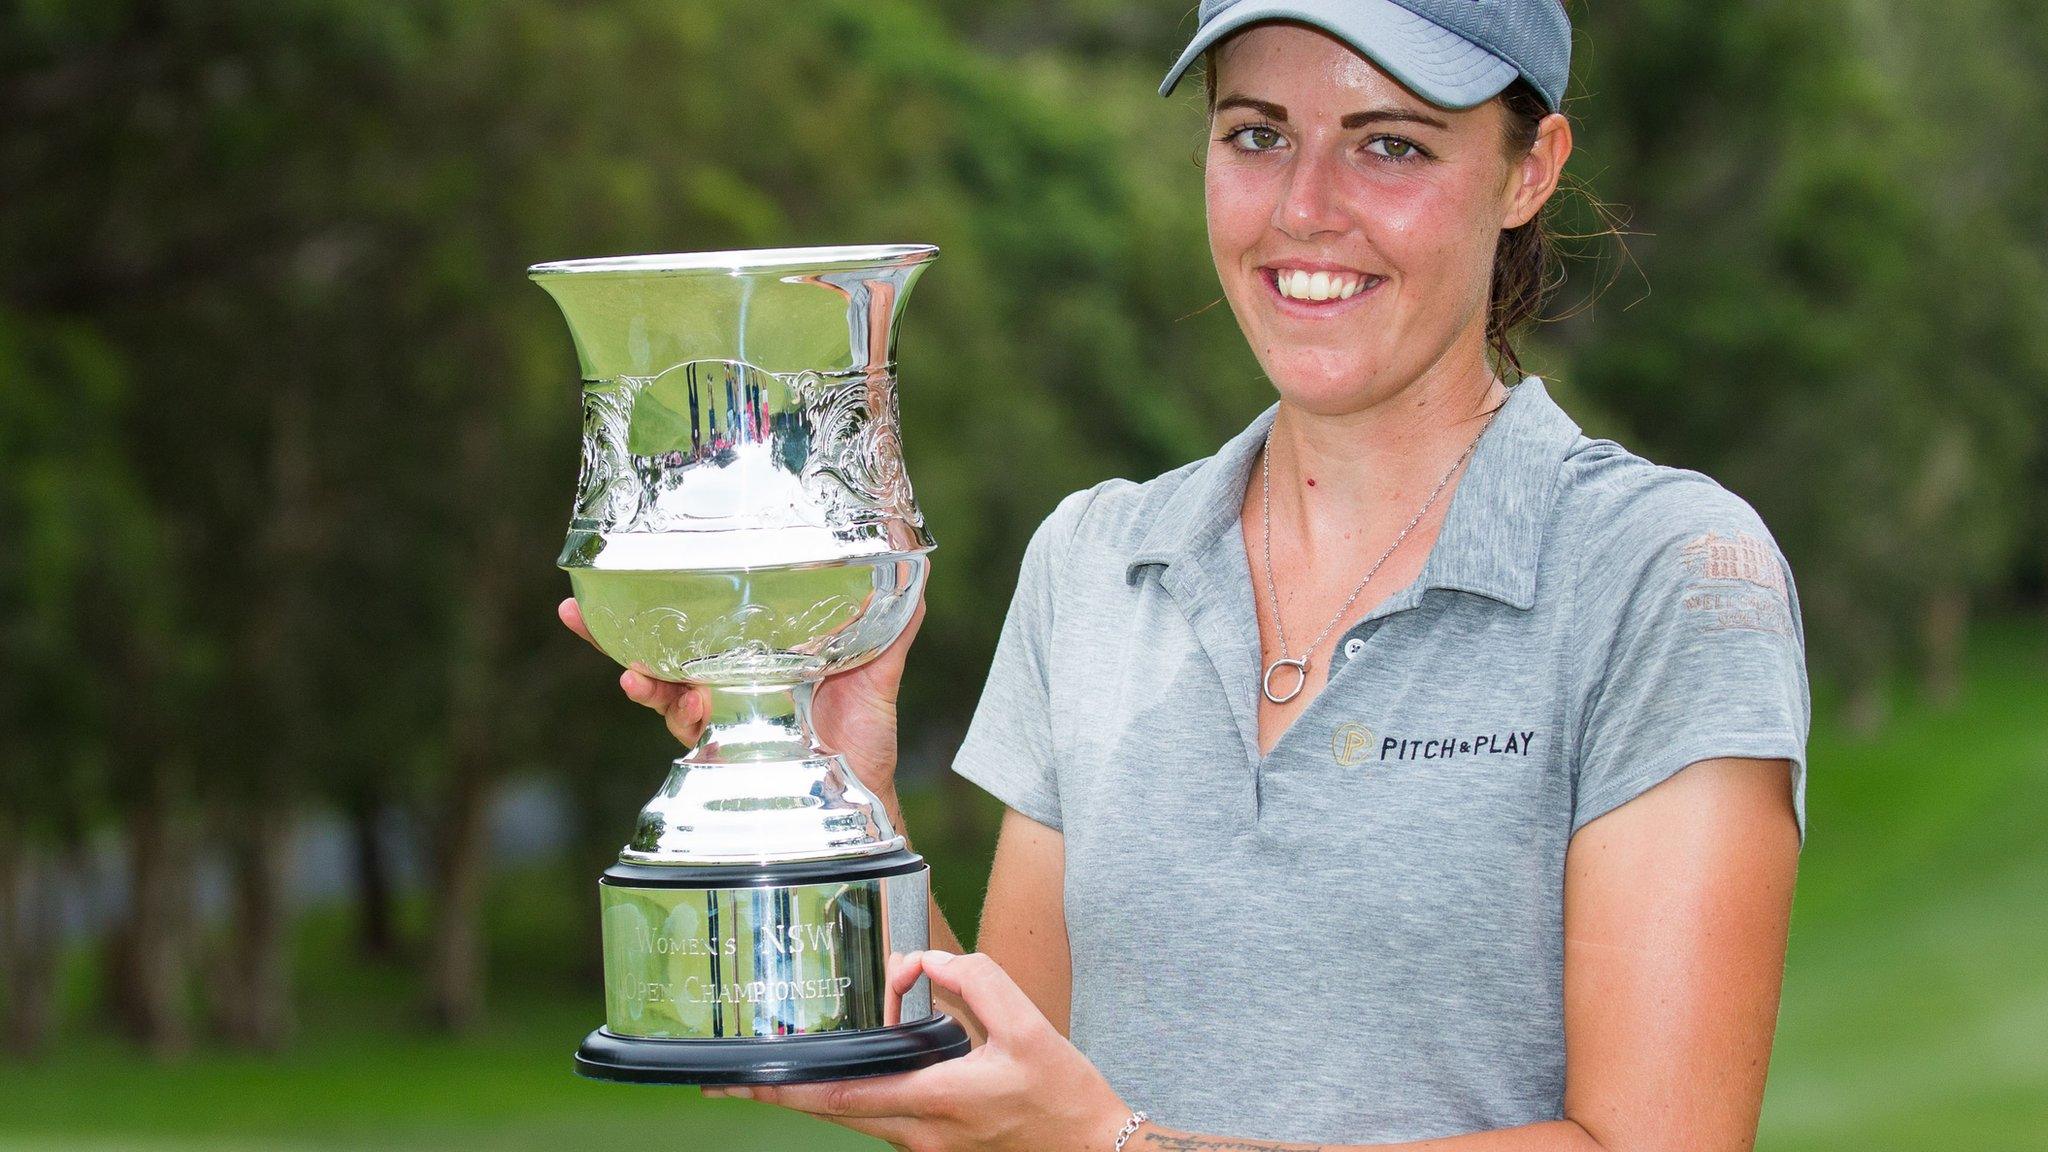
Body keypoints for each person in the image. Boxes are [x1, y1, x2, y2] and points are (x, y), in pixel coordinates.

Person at [560, 1, 1811, 1148]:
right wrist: (844, 790)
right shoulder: (1094, 562)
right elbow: (1019, 1088)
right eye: (1256, 134)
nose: (1305, 208)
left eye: (1391, 146)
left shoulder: (1666, 576)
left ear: (1528, 170)